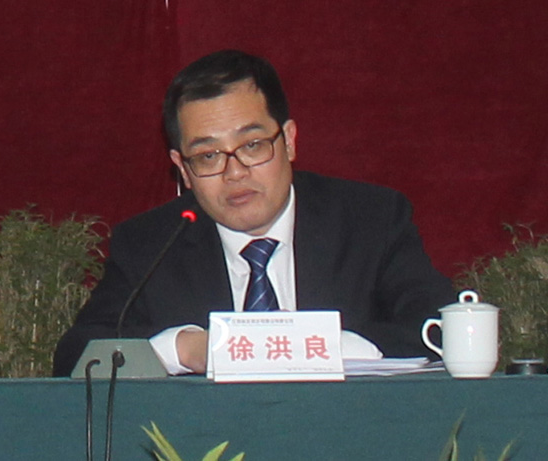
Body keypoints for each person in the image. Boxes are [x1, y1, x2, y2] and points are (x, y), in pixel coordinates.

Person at [53, 49, 455, 377]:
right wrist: (183, 349)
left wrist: (322, 348)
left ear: (289, 141)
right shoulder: (150, 243)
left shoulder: (371, 220)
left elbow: (441, 328)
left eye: (252, 146)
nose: (235, 172)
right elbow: (76, 355)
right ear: (182, 169)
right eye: (208, 156)